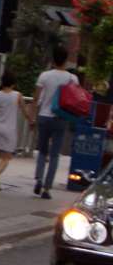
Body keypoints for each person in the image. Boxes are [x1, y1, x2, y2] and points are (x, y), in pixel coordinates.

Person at [29, 45, 79, 199]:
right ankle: (47, 189)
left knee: (42, 150)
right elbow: (76, 99)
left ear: (53, 59)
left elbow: (36, 98)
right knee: (55, 154)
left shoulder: (44, 76)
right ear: (66, 60)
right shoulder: (72, 78)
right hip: (61, 118)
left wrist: (32, 118)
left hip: (44, 116)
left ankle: (38, 178)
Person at [0, 71, 30, 191]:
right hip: (10, 129)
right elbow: (25, 111)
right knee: (6, 157)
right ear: (13, 83)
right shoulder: (18, 96)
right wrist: (31, 121)